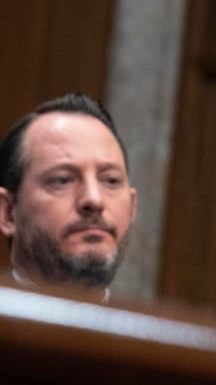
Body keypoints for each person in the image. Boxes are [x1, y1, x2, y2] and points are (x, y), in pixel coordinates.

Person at [0, 94, 138, 293]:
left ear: (132, 208)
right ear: (8, 212)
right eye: (62, 180)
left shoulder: (157, 324)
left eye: (111, 181)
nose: (94, 199)